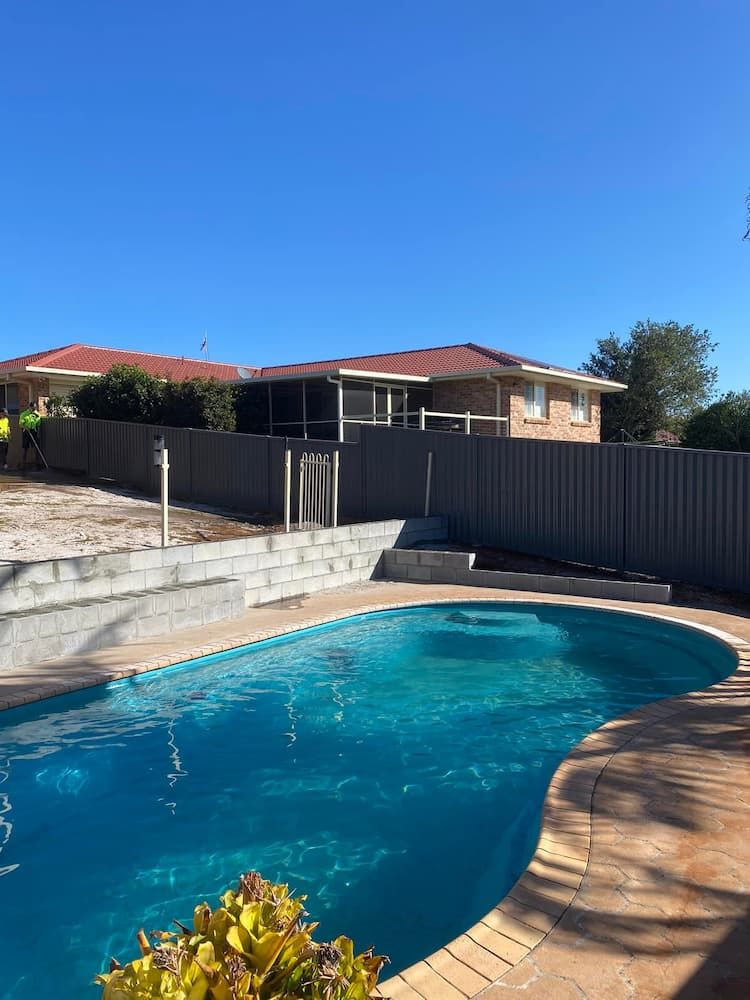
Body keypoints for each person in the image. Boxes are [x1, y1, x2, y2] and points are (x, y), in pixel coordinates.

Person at [19, 401, 42, 470]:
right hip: (26, 432)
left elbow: (38, 424)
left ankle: (36, 464)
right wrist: (25, 427)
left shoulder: (37, 414)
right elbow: (20, 424)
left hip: (33, 431)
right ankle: (23, 464)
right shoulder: (24, 414)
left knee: (35, 448)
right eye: (33, 408)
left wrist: (36, 431)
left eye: (35, 408)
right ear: (30, 407)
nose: (34, 409)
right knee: (25, 448)